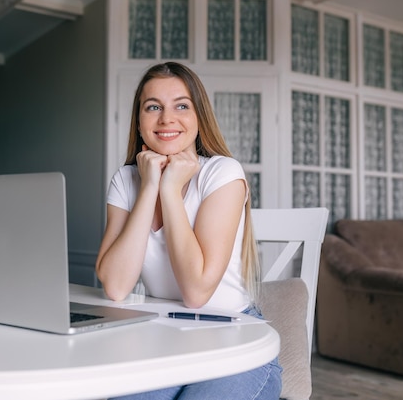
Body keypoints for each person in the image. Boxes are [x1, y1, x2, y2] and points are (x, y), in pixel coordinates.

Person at [95, 62, 282, 400]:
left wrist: (170, 191)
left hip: (235, 338)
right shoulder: (126, 180)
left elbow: (197, 294)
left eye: (181, 105)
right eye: (154, 107)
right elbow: (116, 286)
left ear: (199, 117)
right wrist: (150, 185)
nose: (167, 119)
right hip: (164, 335)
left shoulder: (223, 173)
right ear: (140, 121)